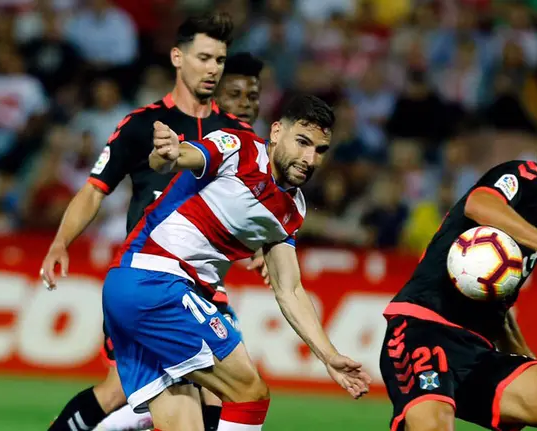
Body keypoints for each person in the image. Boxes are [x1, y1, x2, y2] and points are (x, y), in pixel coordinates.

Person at [43, 13, 262, 431]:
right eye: (204, 57)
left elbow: (251, 203)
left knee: (211, 394)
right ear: (178, 57)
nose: (213, 68)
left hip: (203, 286)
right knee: (124, 392)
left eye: (219, 59)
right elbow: (94, 189)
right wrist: (61, 242)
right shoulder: (141, 125)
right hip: (148, 280)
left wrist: (265, 251)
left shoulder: (235, 134)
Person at [103, 94, 370, 431]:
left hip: (134, 288)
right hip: (154, 279)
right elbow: (181, 156)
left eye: (319, 150)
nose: (309, 158)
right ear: (276, 132)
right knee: (249, 394)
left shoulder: (292, 209)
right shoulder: (238, 148)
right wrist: (167, 152)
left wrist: (328, 356)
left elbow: (290, 290)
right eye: (302, 142)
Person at [380, 115, 537, 431]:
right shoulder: (525, 175)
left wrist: (522, 355)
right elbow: (479, 203)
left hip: (475, 351)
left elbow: (496, 303)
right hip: (424, 329)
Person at [215, 52, 263, 125]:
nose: (245, 104)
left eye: (253, 97)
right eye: (234, 95)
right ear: (213, 101)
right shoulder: (197, 135)